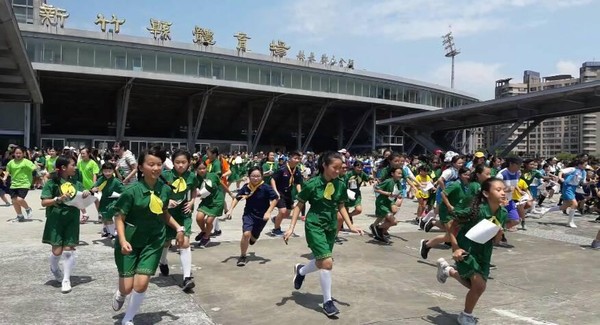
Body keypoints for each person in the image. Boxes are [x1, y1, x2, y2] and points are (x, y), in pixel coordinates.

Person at [111, 146, 186, 325]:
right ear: (141, 167)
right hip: (129, 241)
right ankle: (121, 292)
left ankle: (128, 318)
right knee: (127, 288)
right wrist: (121, 240)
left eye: (159, 164)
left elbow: (163, 212)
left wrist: (178, 228)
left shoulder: (165, 189)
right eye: (151, 164)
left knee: (141, 284)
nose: (155, 168)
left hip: (153, 241)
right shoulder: (131, 191)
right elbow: (119, 217)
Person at [284, 151, 364, 317]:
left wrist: (350, 226)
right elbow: (299, 205)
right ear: (324, 166)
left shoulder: (340, 184)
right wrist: (291, 227)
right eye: (334, 167)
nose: (338, 170)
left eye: (340, 167)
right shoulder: (312, 184)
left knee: (322, 261)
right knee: (327, 262)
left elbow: (341, 206)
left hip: (330, 226)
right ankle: (327, 302)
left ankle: (300, 271)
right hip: (314, 225)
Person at [435, 178, 508, 325]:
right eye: (498, 190)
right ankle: (465, 315)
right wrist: (455, 248)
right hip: (466, 250)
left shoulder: (503, 213)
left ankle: (447, 270)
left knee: (474, 286)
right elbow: (451, 225)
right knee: (479, 286)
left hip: (484, 253)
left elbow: (496, 241)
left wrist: (499, 233)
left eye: (504, 190)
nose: (502, 193)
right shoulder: (476, 211)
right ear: (486, 194)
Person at [41, 155, 91, 293]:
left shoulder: (76, 182)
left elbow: (81, 197)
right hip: (56, 219)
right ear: (63, 167)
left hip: (72, 219)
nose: (75, 167)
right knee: (57, 251)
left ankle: (66, 279)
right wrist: (58, 199)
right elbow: (44, 202)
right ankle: (55, 268)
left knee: (69, 250)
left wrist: (87, 194)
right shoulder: (52, 183)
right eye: (72, 165)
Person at [159, 149, 198, 291]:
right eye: (177, 162)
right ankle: (163, 261)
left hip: (184, 214)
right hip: (167, 214)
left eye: (184, 162)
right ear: (173, 162)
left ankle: (187, 278)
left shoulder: (191, 176)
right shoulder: (165, 176)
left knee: (184, 243)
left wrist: (192, 201)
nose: (180, 165)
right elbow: (157, 191)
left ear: (189, 163)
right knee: (166, 242)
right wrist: (167, 200)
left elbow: (194, 189)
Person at [227, 166, 279, 266]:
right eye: (253, 176)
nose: (255, 178)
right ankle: (242, 256)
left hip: (262, 217)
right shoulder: (246, 187)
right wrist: (230, 210)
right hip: (249, 214)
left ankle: (253, 237)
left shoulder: (266, 188)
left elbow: (275, 199)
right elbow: (237, 198)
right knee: (246, 234)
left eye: (258, 176)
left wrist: (268, 212)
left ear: (262, 176)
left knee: (253, 239)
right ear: (249, 176)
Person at [541, 160, 587, 228]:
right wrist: (560, 177)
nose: (586, 166)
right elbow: (561, 171)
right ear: (580, 164)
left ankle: (546, 210)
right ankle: (570, 222)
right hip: (567, 187)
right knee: (575, 204)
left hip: (573, 188)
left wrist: (590, 183)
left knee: (564, 207)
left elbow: (583, 183)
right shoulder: (573, 169)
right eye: (585, 164)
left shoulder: (583, 172)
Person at [270, 151, 303, 236]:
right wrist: (275, 191)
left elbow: (297, 183)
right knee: (282, 211)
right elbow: (273, 179)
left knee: (287, 213)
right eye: (295, 158)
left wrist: (300, 192)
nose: (297, 160)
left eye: (298, 159)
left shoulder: (297, 170)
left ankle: (276, 219)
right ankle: (276, 229)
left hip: (288, 194)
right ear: (290, 158)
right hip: (280, 193)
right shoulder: (282, 168)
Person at [194, 159, 225, 248]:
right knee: (199, 218)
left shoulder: (213, 176)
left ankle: (206, 237)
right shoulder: (196, 179)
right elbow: (195, 189)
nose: (202, 170)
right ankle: (204, 231)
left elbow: (221, 184)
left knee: (209, 221)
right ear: (196, 169)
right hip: (206, 201)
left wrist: (230, 193)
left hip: (217, 201)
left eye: (204, 168)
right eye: (200, 169)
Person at [91, 162, 124, 238]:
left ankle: (113, 234)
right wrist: (94, 189)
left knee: (109, 215)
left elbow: (123, 191)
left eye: (109, 171)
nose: (107, 173)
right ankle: (109, 232)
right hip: (104, 199)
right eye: (105, 171)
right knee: (104, 216)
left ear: (113, 171)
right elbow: (94, 187)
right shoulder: (101, 179)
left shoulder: (116, 181)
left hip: (114, 200)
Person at [6, 146, 36, 221]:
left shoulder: (26, 162)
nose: (18, 155)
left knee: (19, 199)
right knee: (13, 200)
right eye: (16, 153)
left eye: (20, 153)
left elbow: (34, 168)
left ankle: (28, 209)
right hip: (14, 184)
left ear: (23, 154)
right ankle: (19, 216)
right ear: (14, 154)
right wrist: (5, 177)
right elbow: (7, 171)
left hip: (24, 183)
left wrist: (36, 167)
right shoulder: (11, 162)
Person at [78, 147, 100, 224]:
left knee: (96, 200)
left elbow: (95, 175)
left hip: (91, 186)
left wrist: (94, 186)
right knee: (79, 200)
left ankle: (100, 215)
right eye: (81, 153)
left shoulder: (93, 163)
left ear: (88, 154)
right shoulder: (79, 163)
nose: (82, 155)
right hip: (81, 186)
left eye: (84, 153)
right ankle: (85, 214)